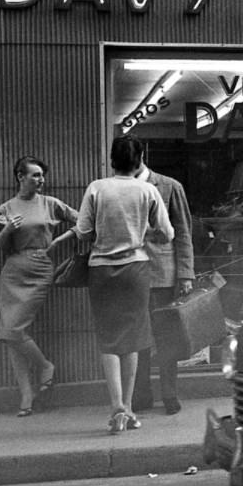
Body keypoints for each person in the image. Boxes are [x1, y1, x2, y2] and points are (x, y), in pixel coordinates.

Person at [75, 135, 174, 434]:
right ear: (140, 158)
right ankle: (128, 408)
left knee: (108, 338)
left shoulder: (97, 187)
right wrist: (144, 234)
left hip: (101, 271)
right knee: (133, 338)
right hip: (136, 269)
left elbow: (82, 232)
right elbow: (167, 233)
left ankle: (116, 405)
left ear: (111, 159)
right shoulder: (148, 190)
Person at [0, 155, 78, 417]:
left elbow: (83, 220)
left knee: (13, 330)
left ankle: (45, 366)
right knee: (10, 333)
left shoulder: (51, 204)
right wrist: (6, 231)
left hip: (40, 269)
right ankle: (27, 394)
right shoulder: (5, 208)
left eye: (42, 175)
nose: (41, 180)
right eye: (35, 175)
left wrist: (61, 239)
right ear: (20, 177)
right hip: (13, 271)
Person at [131, 159, 195, 416]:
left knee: (166, 337)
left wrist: (185, 273)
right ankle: (142, 393)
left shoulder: (169, 186)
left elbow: (183, 231)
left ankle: (169, 393)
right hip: (131, 273)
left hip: (163, 275)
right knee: (138, 338)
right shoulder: (119, 187)